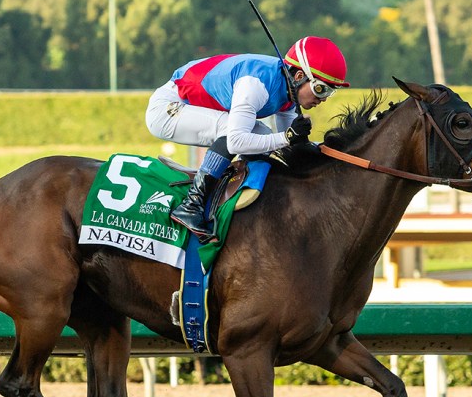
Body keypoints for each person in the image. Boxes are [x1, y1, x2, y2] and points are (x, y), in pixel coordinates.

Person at [145, 35, 349, 242]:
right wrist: (288, 137)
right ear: (298, 76)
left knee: (264, 137)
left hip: (193, 106)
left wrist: (324, 152)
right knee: (233, 131)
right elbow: (236, 142)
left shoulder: (289, 91)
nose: (323, 99)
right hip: (168, 109)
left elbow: (293, 148)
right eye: (321, 89)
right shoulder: (256, 85)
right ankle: (192, 205)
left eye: (330, 92)